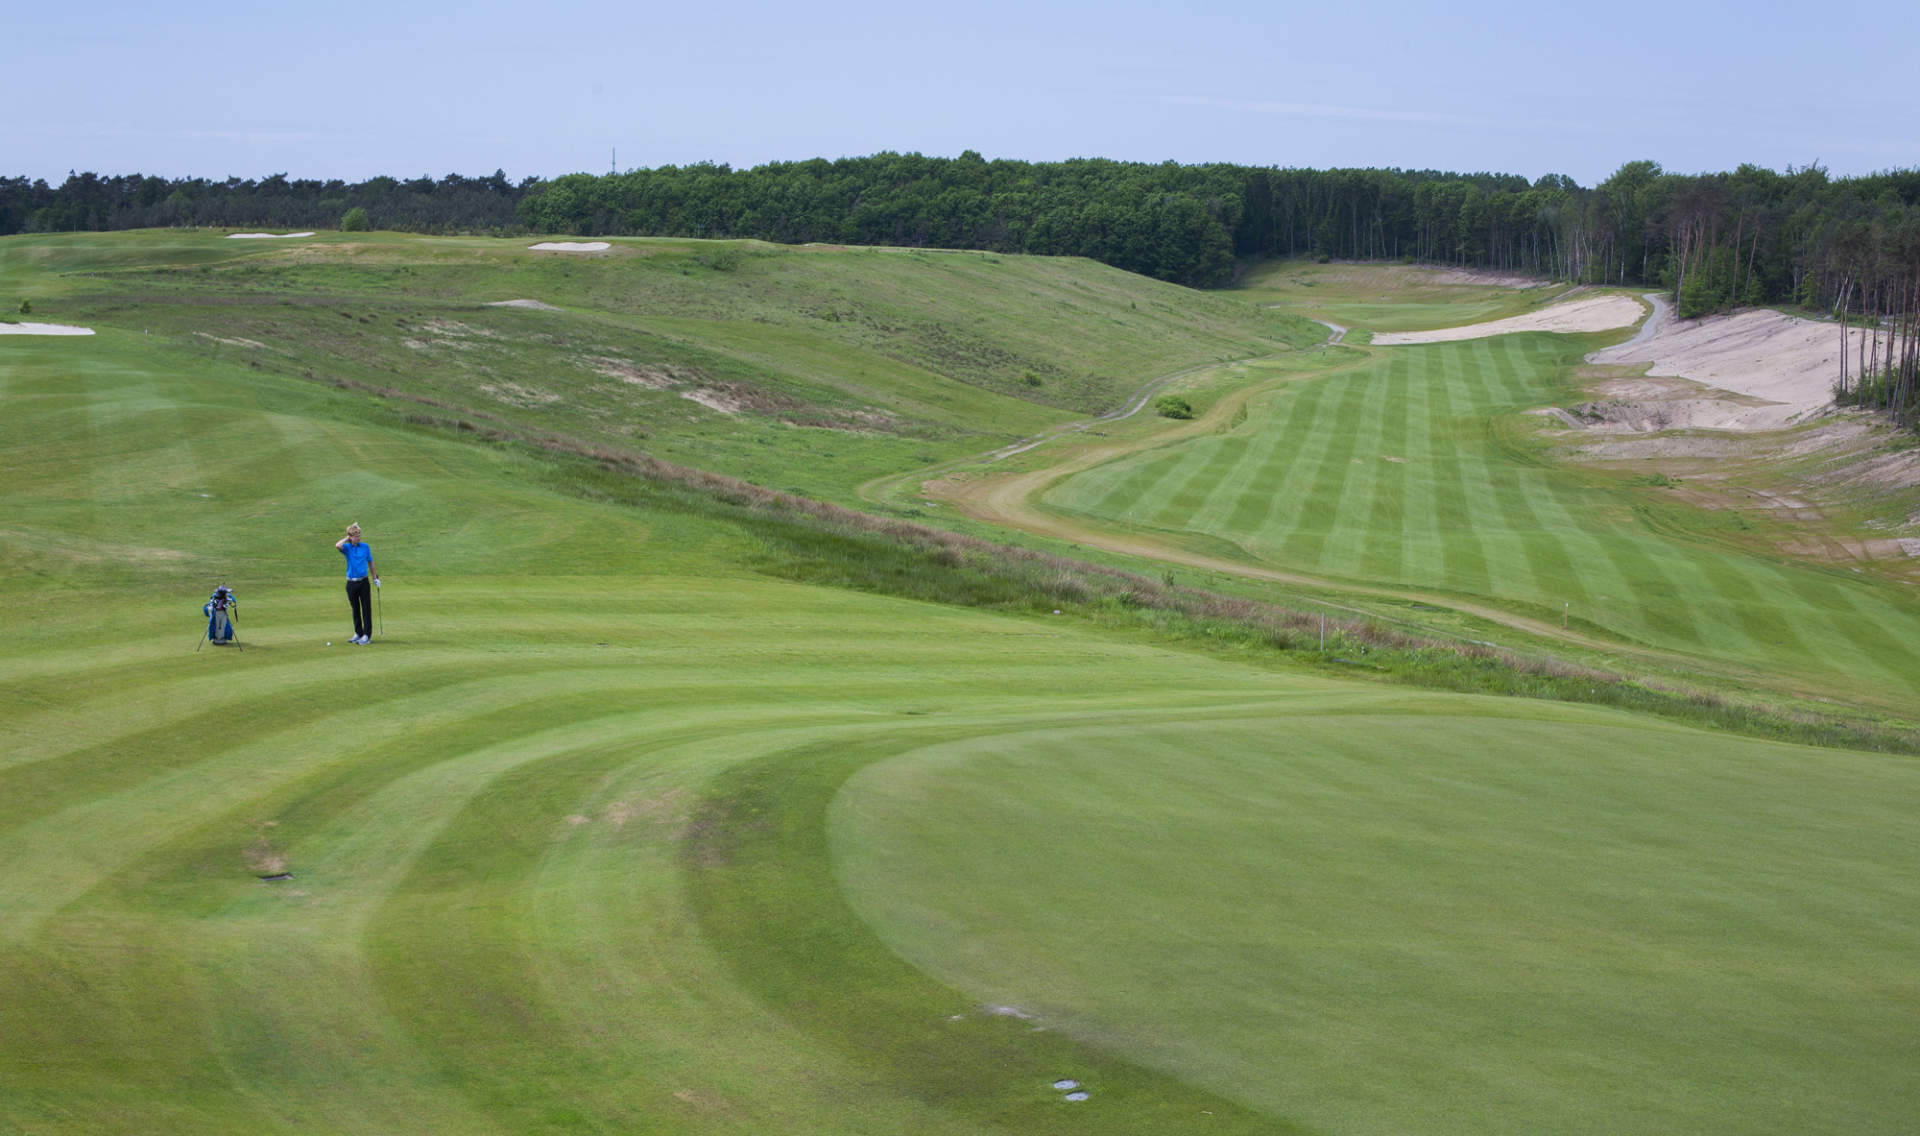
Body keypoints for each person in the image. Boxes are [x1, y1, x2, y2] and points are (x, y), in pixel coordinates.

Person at [334, 523, 380, 644]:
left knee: (366, 609)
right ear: (350, 537)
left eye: (359, 535)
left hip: (364, 582)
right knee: (355, 609)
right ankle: (358, 633)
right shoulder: (347, 548)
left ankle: (366, 636)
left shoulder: (365, 547)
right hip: (351, 583)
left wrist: (375, 578)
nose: (358, 538)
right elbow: (337, 545)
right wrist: (347, 538)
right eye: (355, 536)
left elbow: (370, 562)